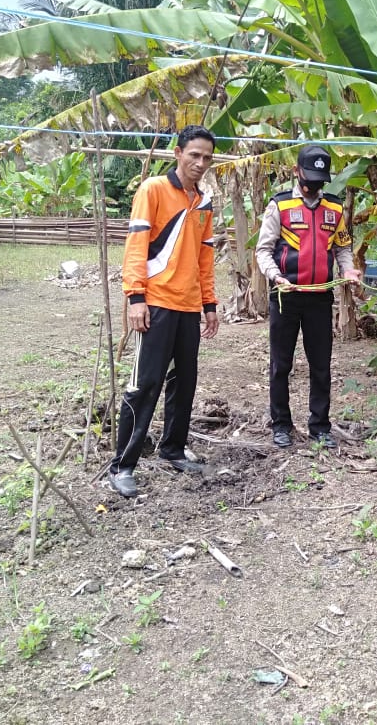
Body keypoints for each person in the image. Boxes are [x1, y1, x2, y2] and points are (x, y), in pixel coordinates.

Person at [107, 125, 220, 498]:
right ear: (178, 153)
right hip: (155, 303)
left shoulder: (204, 203)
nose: (200, 163)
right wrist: (135, 296)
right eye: (194, 155)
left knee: (183, 383)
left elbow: (205, 258)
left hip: (189, 306)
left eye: (207, 157)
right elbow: (137, 244)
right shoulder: (153, 189)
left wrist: (209, 304)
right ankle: (123, 464)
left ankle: (173, 448)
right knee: (144, 385)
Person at [255, 144, 361, 449]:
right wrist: (275, 276)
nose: (313, 187)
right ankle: (281, 424)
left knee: (320, 364)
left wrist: (349, 270)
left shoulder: (335, 209)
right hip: (285, 297)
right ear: (296, 172)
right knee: (281, 364)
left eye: (319, 181)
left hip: (319, 298)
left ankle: (320, 426)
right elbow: (263, 249)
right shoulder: (280, 206)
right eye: (309, 179)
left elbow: (342, 248)